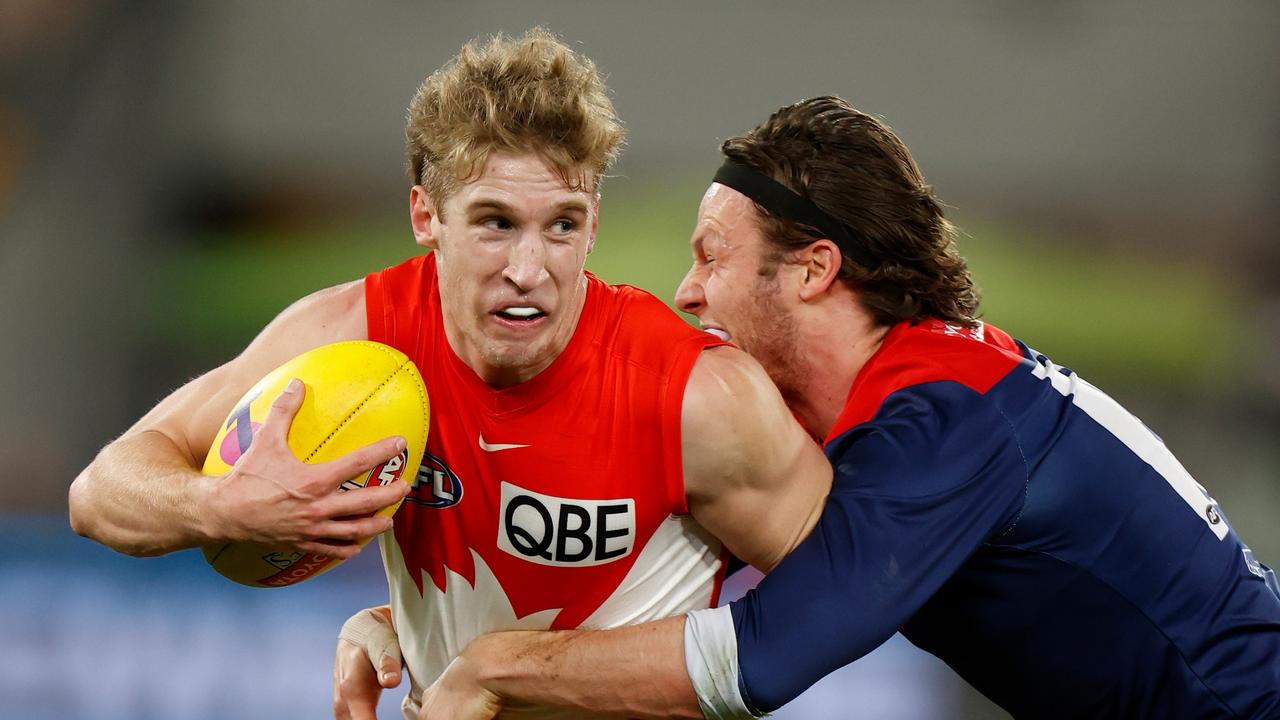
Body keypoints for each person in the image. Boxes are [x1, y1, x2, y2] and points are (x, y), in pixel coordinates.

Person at [336, 96, 1280, 719]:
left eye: (712, 255)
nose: (687, 292)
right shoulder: (911, 406)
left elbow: (753, 661)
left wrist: (494, 665)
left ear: (814, 270)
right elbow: (671, 586)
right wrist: (425, 627)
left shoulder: (944, 420)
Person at [66, 30, 833, 720]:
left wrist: (510, 670)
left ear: (594, 222)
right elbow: (100, 494)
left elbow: (843, 597)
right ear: (425, 215)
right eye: (495, 222)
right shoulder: (353, 339)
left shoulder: (696, 395)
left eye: (562, 225)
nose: (530, 270)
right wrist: (220, 505)